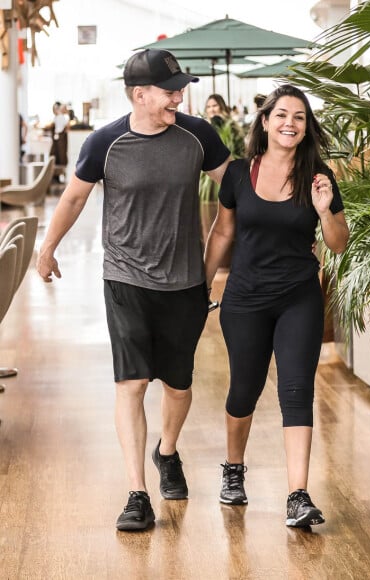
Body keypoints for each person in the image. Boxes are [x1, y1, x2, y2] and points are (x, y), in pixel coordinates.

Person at [36, 48, 231, 532]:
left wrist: (224, 258)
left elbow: (237, 191)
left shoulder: (198, 135)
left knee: (178, 386)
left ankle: (167, 452)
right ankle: (136, 492)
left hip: (185, 281)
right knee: (133, 384)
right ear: (139, 94)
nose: (179, 97)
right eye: (170, 91)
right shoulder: (106, 142)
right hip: (125, 279)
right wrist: (47, 248)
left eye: (180, 88)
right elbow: (75, 196)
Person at [204, 84, 349, 527]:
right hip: (245, 299)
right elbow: (223, 234)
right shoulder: (237, 175)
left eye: (300, 117)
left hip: (298, 297)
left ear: (306, 128)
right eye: (282, 114)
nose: (290, 123)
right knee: (244, 390)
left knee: (296, 391)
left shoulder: (319, 177)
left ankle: (297, 495)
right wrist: (201, 286)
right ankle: (233, 469)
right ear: (264, 122)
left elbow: (339, 244)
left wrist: (325, 211)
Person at [205, 93, 246, 159]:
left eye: (215, 106)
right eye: (208, 107)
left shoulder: (231, 125)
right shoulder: (206, 126)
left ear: (222, 107)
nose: (211, 110)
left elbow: (238, 150)